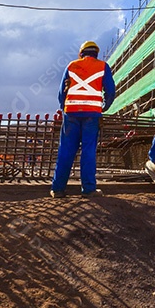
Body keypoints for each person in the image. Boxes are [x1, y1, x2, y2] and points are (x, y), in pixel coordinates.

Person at [50, 40, 115, 198]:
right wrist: (104, 107)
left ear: (81, 53)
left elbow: (61, 92)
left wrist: (64, 107)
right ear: (96, 53)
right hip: (91, 115)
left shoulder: (71, 66)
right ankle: (89, 189)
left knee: (66, 150)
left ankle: (58, 189)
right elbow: (111, 91)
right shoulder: (103, 66)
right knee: (88, 151)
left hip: (71, 113)